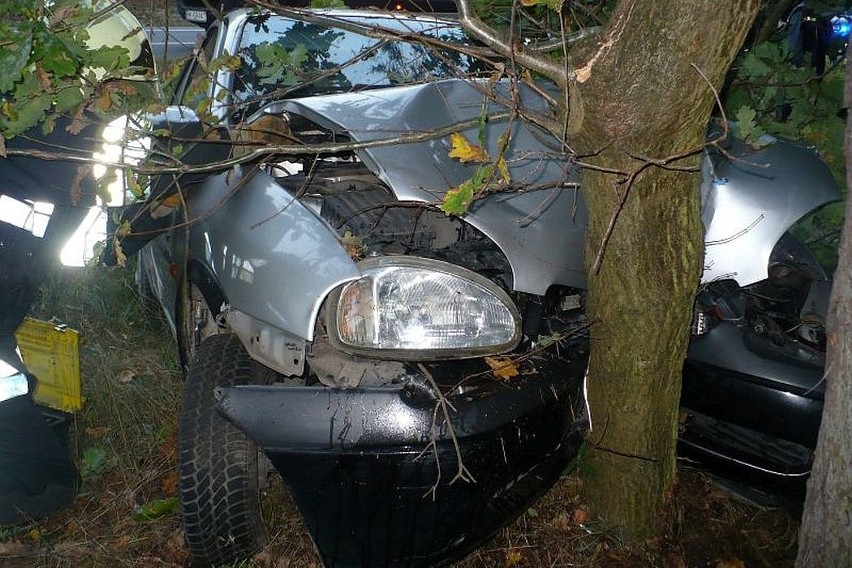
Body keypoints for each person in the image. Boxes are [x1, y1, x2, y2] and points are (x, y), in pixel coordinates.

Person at [0, 0, 157, 526]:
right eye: (123, 80)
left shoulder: (37, 105)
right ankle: (33, 483)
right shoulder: (50, 126)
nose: (123, 98)